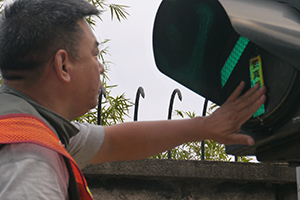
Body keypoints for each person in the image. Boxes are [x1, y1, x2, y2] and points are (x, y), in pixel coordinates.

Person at [0, 0, 266, 199]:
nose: (101, 67)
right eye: (94, 54)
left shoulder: (22, 125)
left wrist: (204, 127)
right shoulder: (30, 163)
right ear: (63, 66)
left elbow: (114, 142)